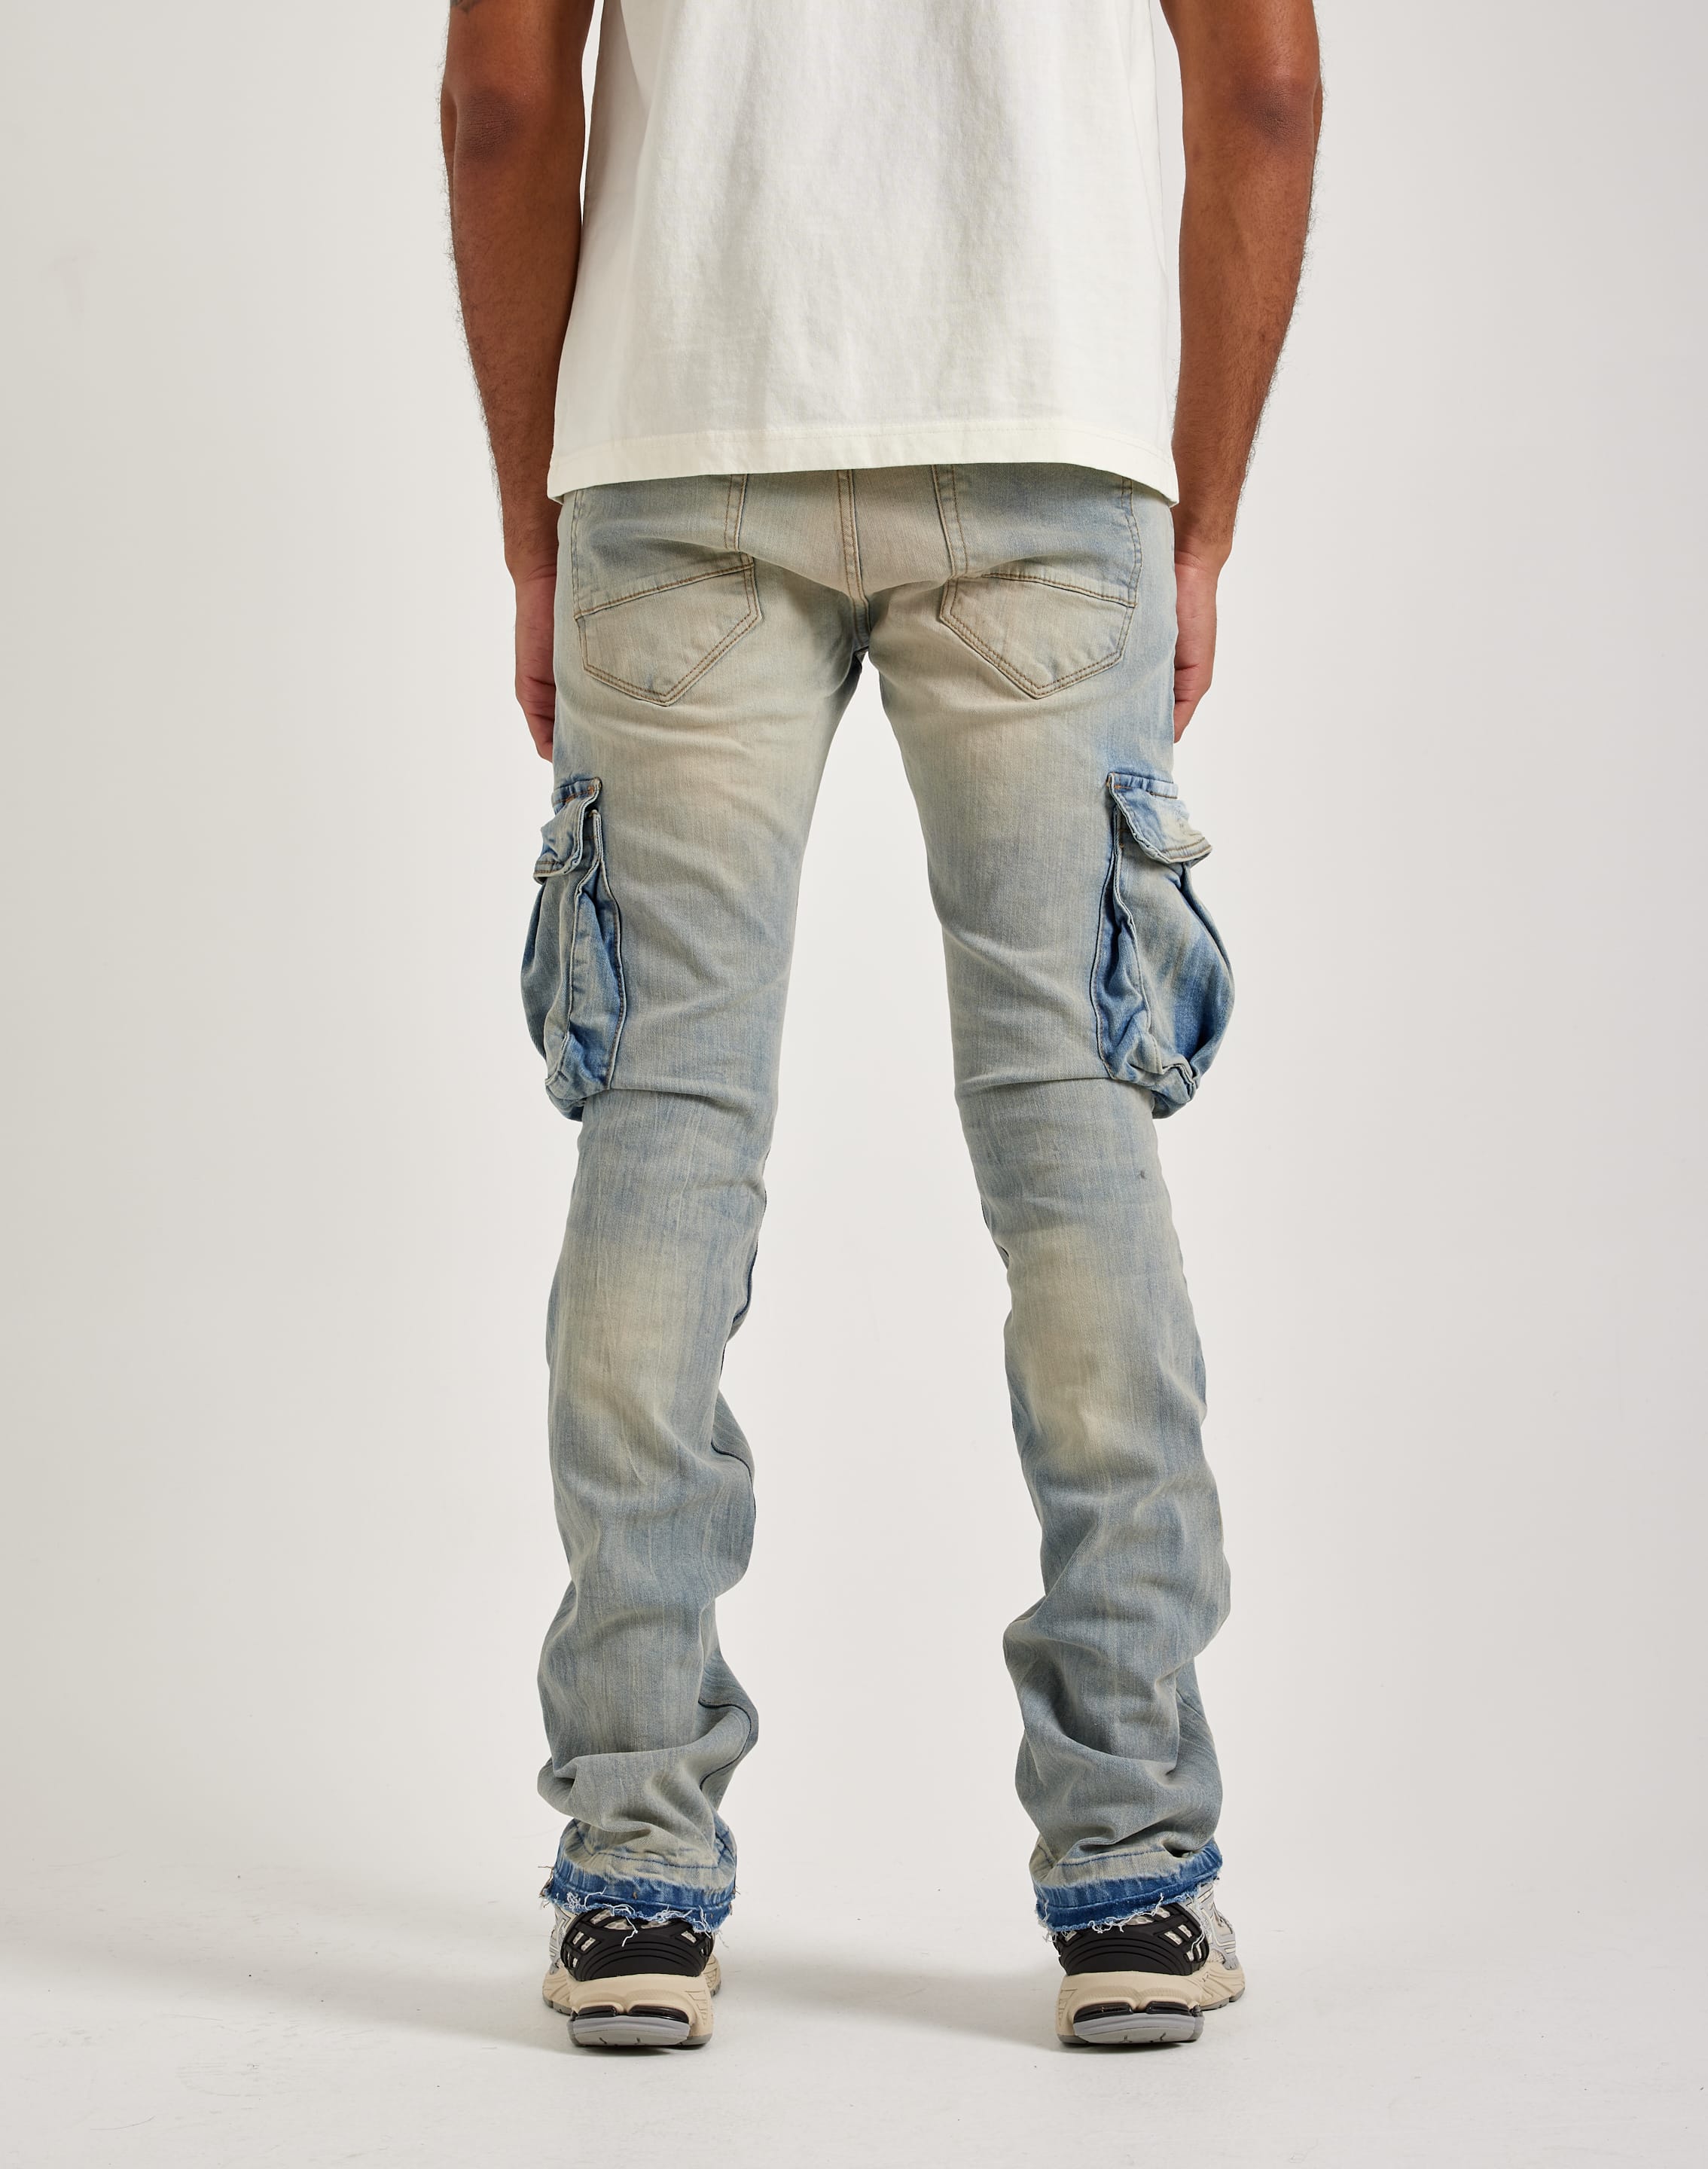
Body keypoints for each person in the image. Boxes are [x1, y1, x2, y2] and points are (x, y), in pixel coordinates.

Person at [442, 0, 1321, 2052]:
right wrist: (1196, 517)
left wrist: (534, 525)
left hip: (676, 437)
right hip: (1047, 437)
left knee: (663, 1134)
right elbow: (1269, 86)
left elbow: (501, 97)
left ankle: (635, 1872)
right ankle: (1132, 1871)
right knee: (1073, 1151)